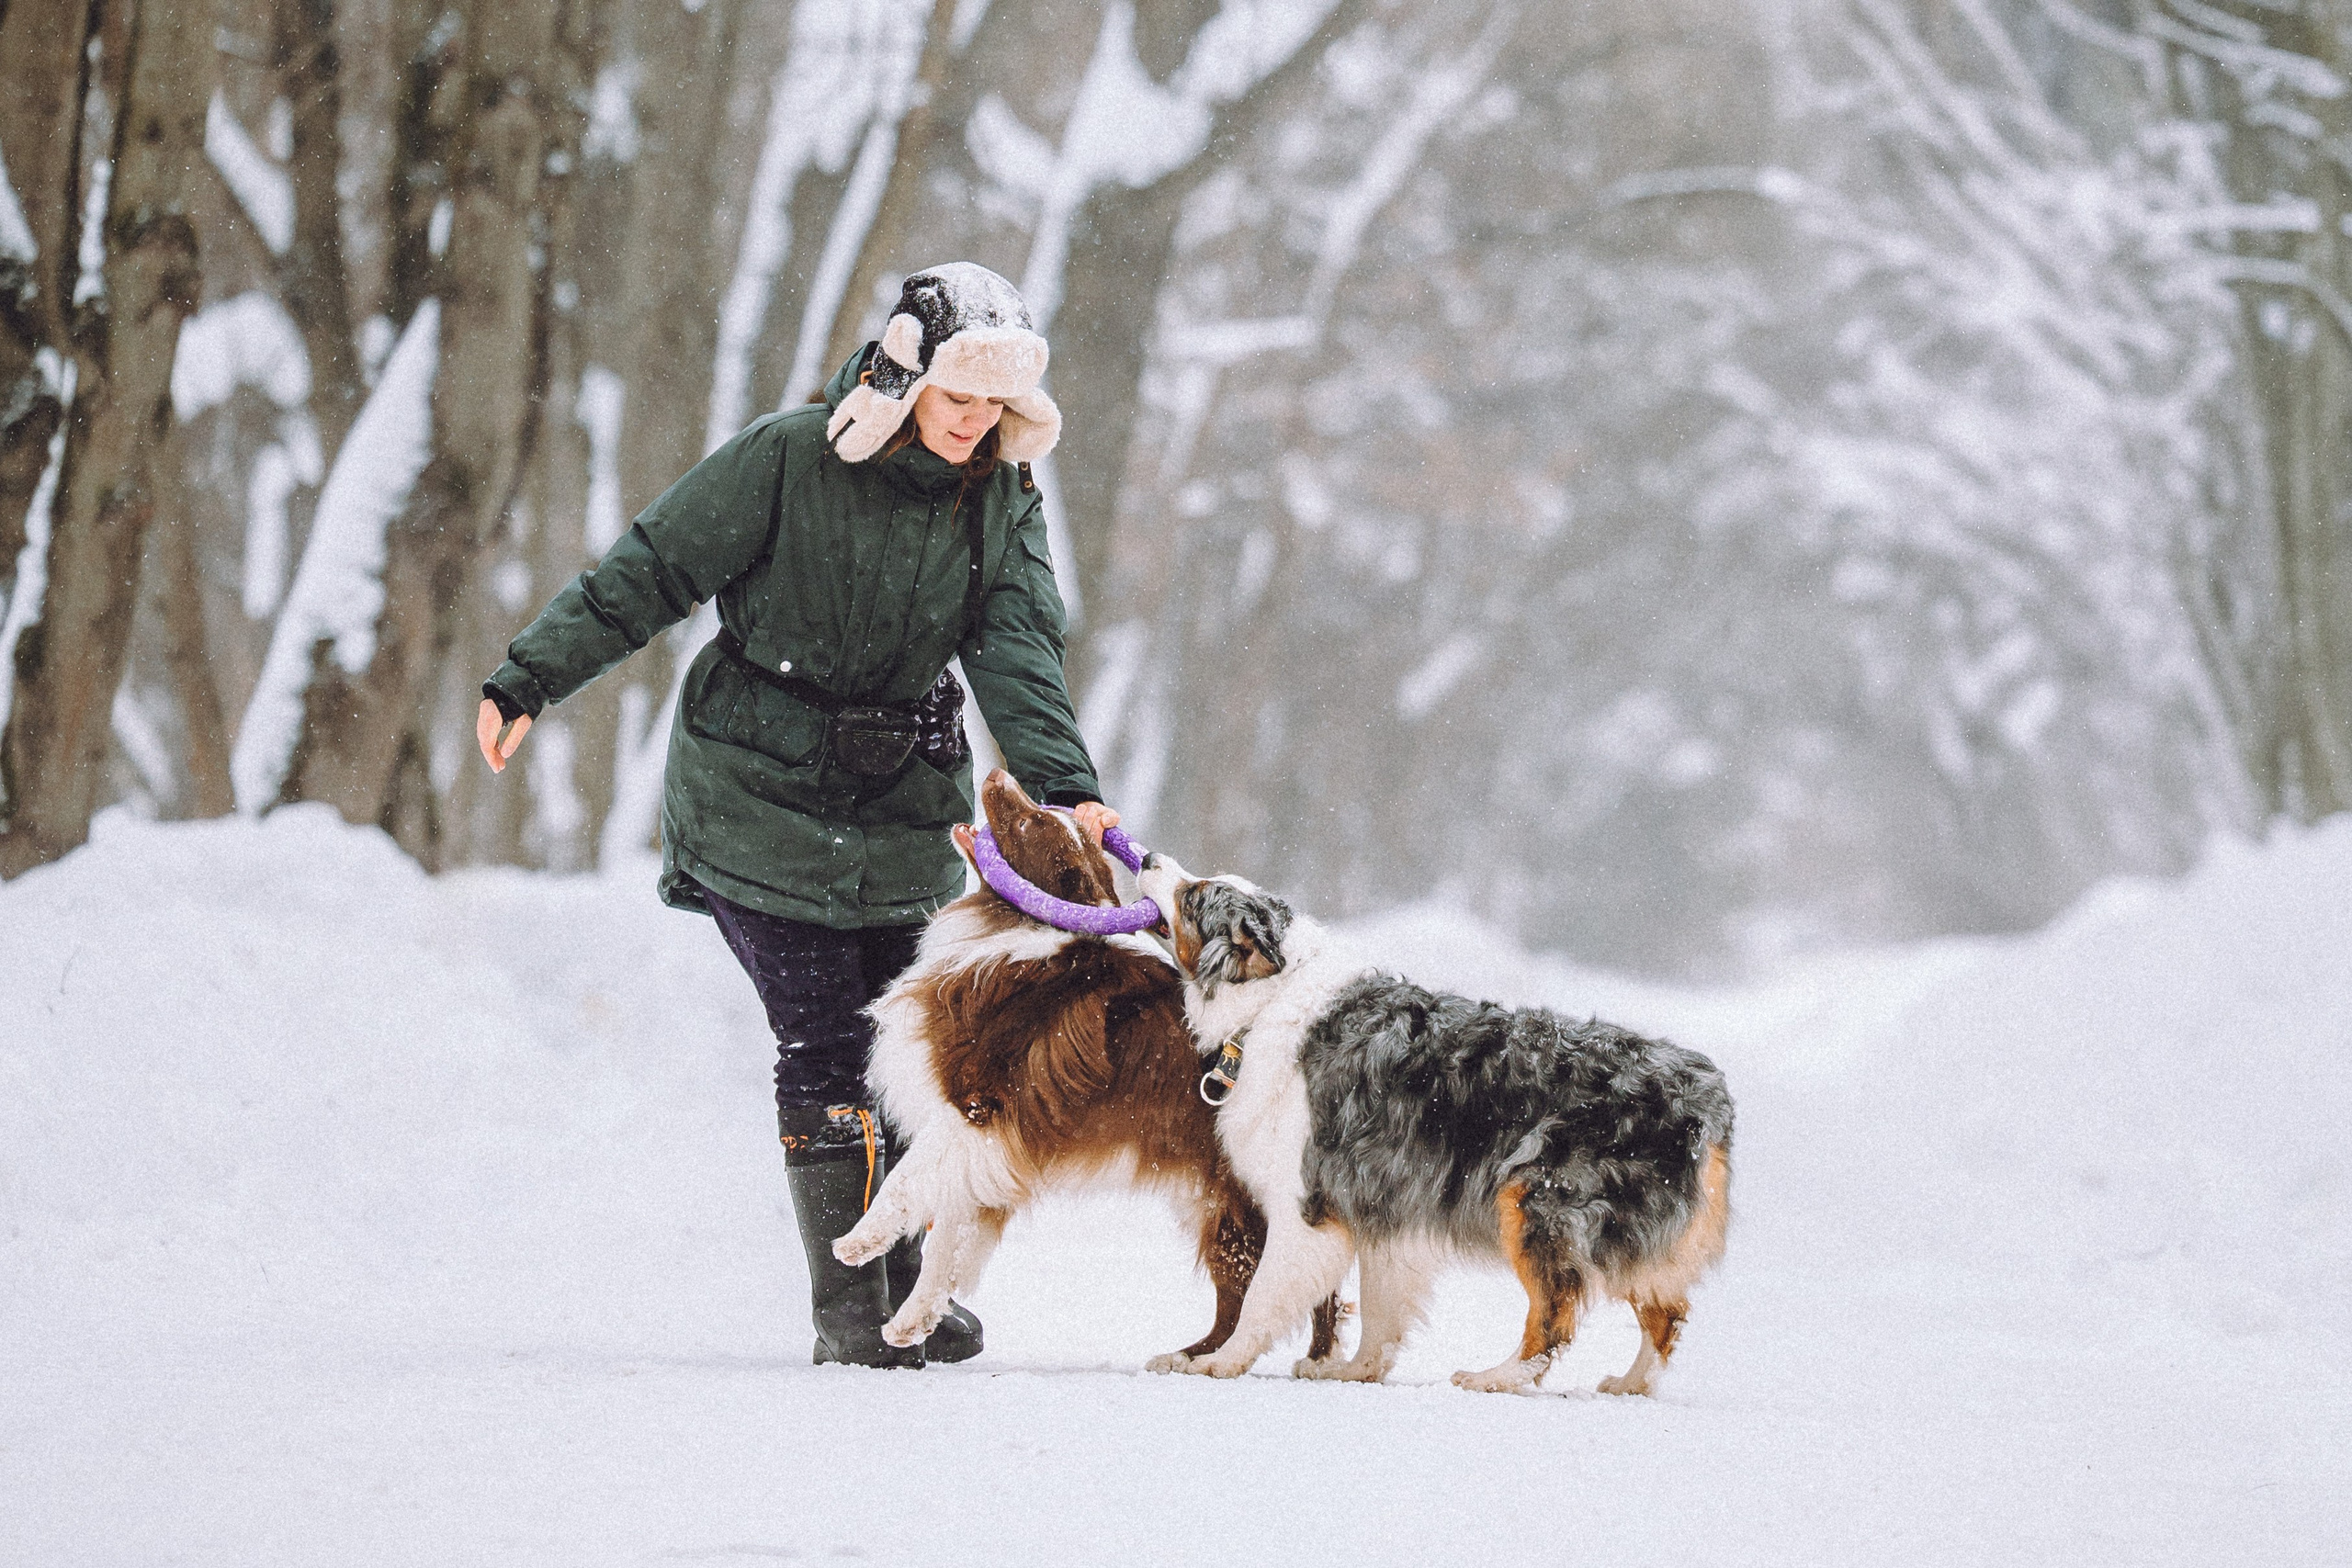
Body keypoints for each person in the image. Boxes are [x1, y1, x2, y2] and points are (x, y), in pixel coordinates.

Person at [476, 263, 1117, 1368]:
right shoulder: (790, 458)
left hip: (901, 798)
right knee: (824, 1039)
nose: (973, 423)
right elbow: (654, 568)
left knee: (906, 1050)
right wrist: (528, 678)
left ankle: (904, 1289)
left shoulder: (999, 494)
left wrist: (1065, 789)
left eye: (994, 405)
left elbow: (1015, 644)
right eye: (957, 396)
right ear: (906, 374)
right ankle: (850, 1313)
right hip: (755, 792)